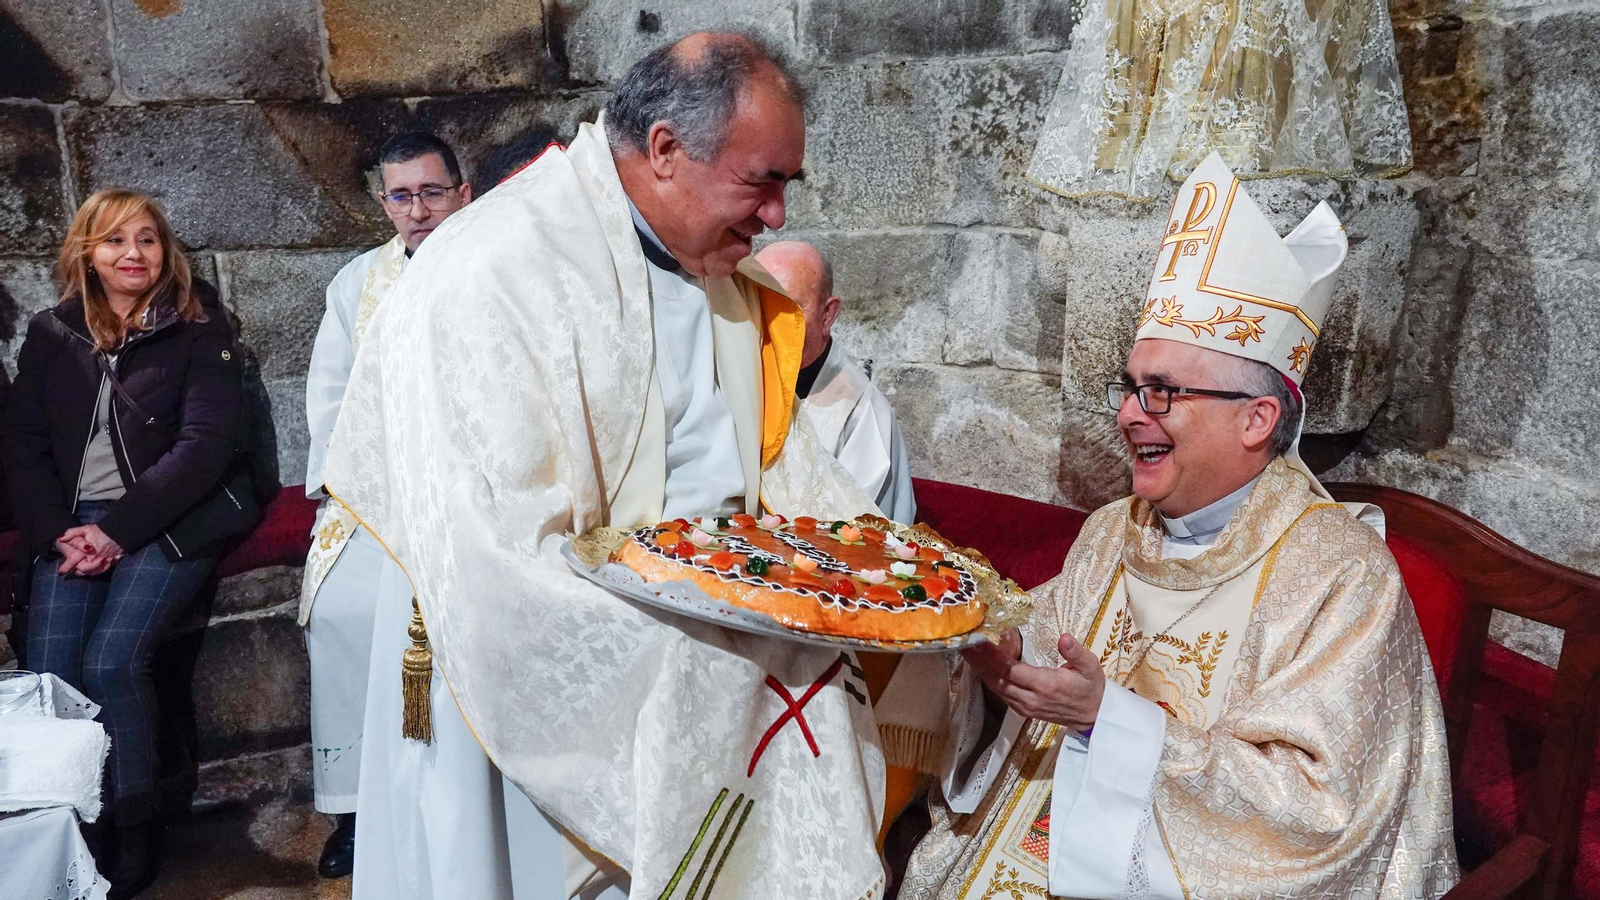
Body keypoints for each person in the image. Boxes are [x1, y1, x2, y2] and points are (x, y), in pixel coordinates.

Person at [323, 33, 894, 900]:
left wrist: (890, 582)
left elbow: (786, 469)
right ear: (664, 151)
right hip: (522, 685)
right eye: (761, 181)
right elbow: (495, 557)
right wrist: (716, 660)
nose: (777, 215)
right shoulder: (488, 276)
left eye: (787, 184)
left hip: (709, 648)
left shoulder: (724, 278)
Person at [900, 152, 1458, 899]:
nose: (1131, 413)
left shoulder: (1340, 576)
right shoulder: (1112, 530)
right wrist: (998, 651)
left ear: (1257, 419)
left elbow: (1319, 817)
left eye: (1162, 392)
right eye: (1130, 387)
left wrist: (1111, 722)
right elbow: (1045, 641)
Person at [7, 189, 249, 899]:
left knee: (113, 661)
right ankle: (70, 827)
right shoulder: (54, 333)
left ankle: (138, 822)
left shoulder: (201, 326)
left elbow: (205, 448)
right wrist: (59, 531)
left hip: (172, 516)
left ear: (164, 250)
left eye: (146, 239)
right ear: (88, 252)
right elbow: (21, 442)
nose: (133, 254)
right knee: (51, 671)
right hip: (73, 524)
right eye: (115, 241)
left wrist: (114, 533)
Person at [299, 130, 472, 879]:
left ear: (463, 193)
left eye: (433, 191)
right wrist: (375, 484)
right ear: (383, 204)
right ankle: (355, 808)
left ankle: (458, 795)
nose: (419, 210)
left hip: (471, 497)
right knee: (340, 611)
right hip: (379, 494)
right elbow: (329, 404)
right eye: (402, 196)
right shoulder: (355, 285)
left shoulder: (494, 267)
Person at [755, 241, 915, 522]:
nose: (769, 323)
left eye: (788, 308)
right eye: (758, 303)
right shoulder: (742, 378)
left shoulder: (863, 413)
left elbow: (860, 533)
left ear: (827, 314)